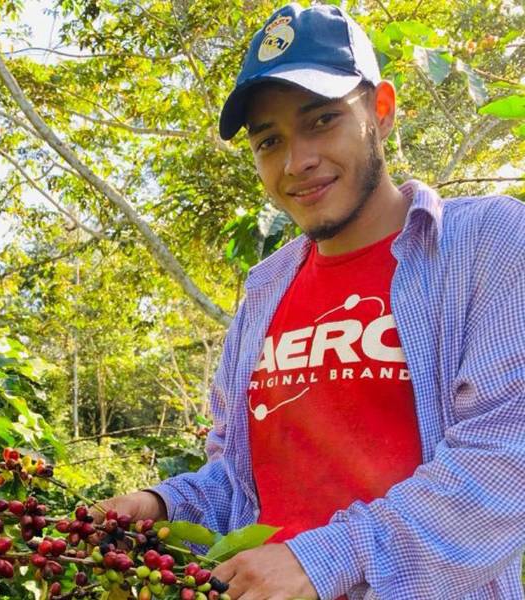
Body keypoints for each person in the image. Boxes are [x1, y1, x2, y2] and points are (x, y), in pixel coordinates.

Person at [98, 3, 525, 599]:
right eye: (269, 141)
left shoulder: (488, 244)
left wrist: (318, 560)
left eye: (322, 121)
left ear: (381, 111)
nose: (297, 162)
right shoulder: (265, 288)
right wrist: (162, 503)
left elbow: (504, 462)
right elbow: (242, 484)